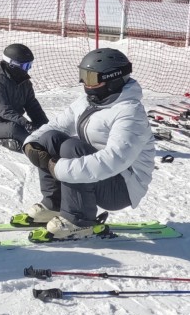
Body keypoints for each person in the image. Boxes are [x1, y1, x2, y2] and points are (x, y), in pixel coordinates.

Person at [20, 47, 155, 240]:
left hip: (122, 187)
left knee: (70, 148)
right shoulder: (89, 101)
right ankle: (55, 205)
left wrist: (58, 168)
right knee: (49, 138)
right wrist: (32, 143)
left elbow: (114, 160)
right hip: (103, 177)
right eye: (83, 76)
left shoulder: (130, 113)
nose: (85, 83)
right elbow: (57, 125)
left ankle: (79, 221)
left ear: (113, 79)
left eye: (91, 78)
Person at [0, 43, 48, 152]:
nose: (27, 69)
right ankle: (37, 147)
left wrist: (45, 126)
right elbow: (4, 110)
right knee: (15, 129)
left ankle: (40, 140)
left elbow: (33, 106)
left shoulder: (24, 82)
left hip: (13, 121)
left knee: (33, 129)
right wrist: (26, 124)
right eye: (25, 66)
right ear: (12, 64)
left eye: (29, 65)